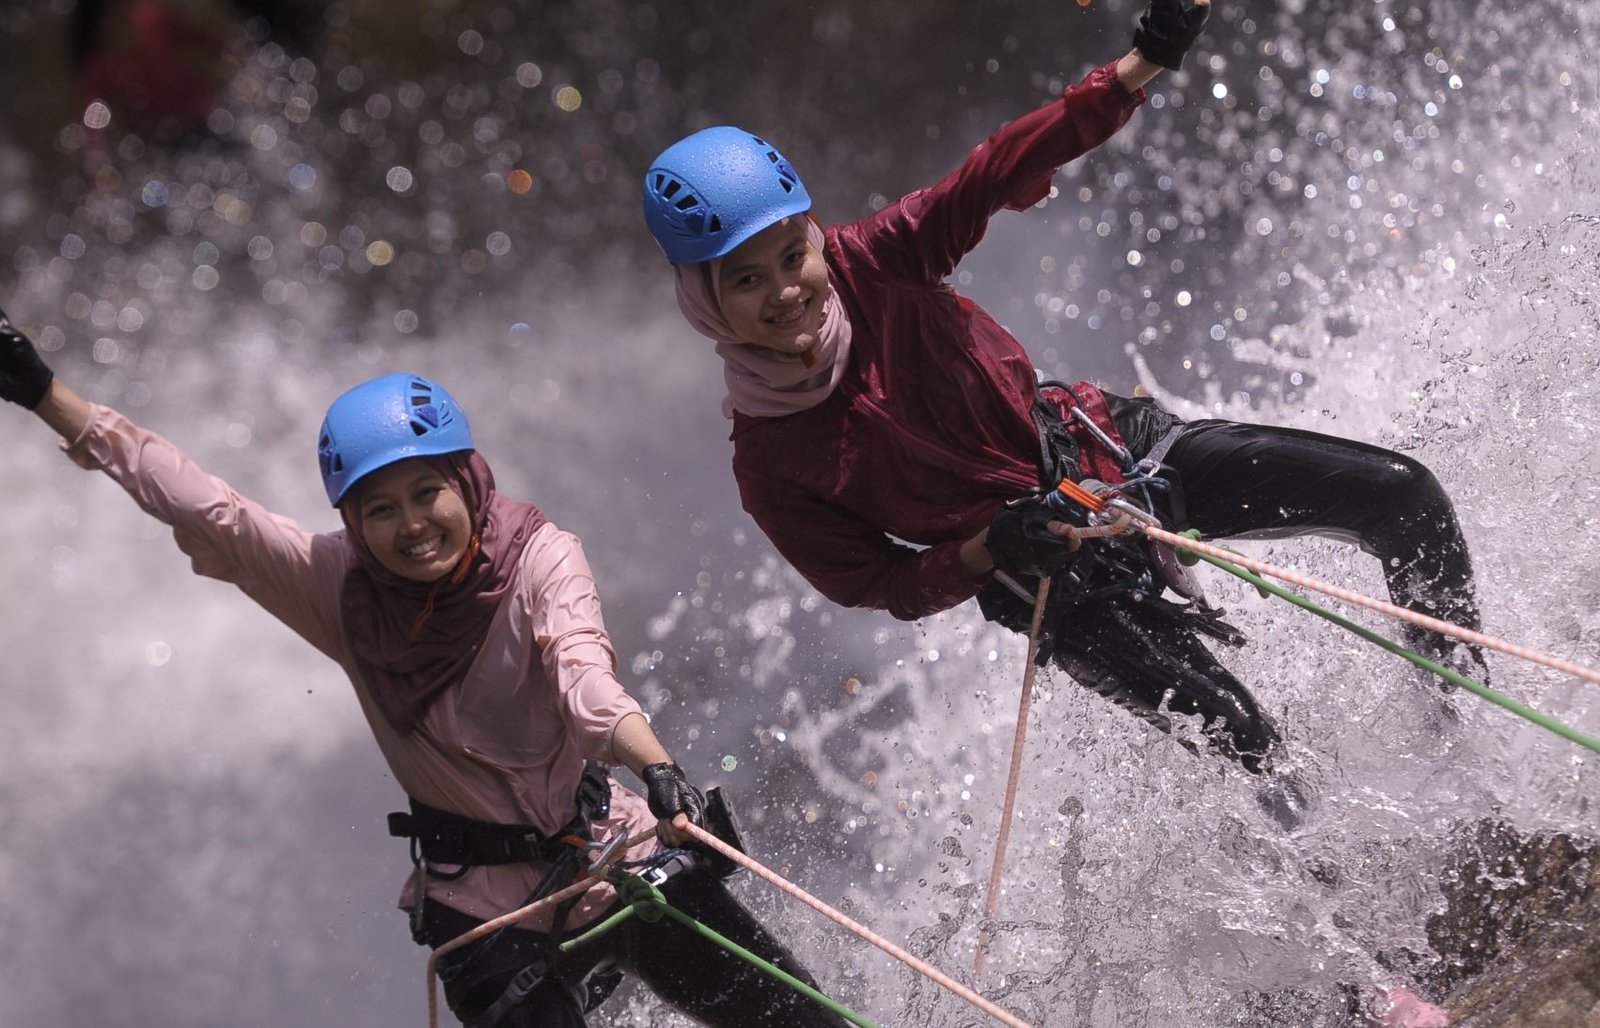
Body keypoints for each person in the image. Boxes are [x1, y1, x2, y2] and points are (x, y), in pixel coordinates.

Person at [639, 4, 1486, 772]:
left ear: (817, 237)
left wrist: (1139, 66)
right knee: (1243, 734)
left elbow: (994, 168)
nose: (787, 291)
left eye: (794, 257)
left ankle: (1466, 750)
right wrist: (990, 549)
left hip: (1117, 453)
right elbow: (880, 584)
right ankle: (1368, 915)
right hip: (1049, 581)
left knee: (1403, 496)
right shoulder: (772, 464)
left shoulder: (879, 260)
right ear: (703, 300)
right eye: (746, 282)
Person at [0, 310, 845, 1028]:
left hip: (606, 854)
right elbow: (202, 506)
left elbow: (585, 680)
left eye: (426, 493)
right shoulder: (335, 587)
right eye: (379, 508)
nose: (411, 526)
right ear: (352, 523)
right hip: (482, 913)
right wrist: (46, 395)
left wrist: (656, 765)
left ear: (467, 481)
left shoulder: (541, 561)